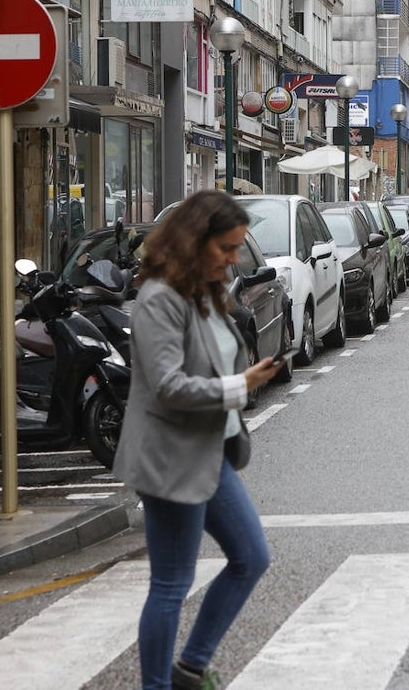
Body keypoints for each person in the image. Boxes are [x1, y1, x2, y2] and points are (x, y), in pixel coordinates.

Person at [114, 189, 282, 690]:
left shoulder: (206, 291)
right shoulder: (159, 299)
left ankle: (189, 667)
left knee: (251, 557)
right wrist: (241, 385)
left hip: (211, 452)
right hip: (170, 459)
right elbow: (167, 385)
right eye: (226, 248)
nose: (233, 260)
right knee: (171, 585)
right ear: (194, 241)